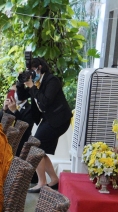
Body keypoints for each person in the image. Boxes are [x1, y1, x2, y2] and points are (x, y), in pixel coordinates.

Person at [18, 57, 72, 191]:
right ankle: (53, 180)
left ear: (39, 68)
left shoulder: (51, 80)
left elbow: (45, 101)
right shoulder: (35, 82)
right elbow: (21, 96)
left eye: (32, 70)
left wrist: (32, 86)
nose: (31, 74)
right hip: (49, 119)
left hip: (59, 119)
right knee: (39, 150)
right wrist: (20, 82)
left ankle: (42, 182)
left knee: (35, 147)